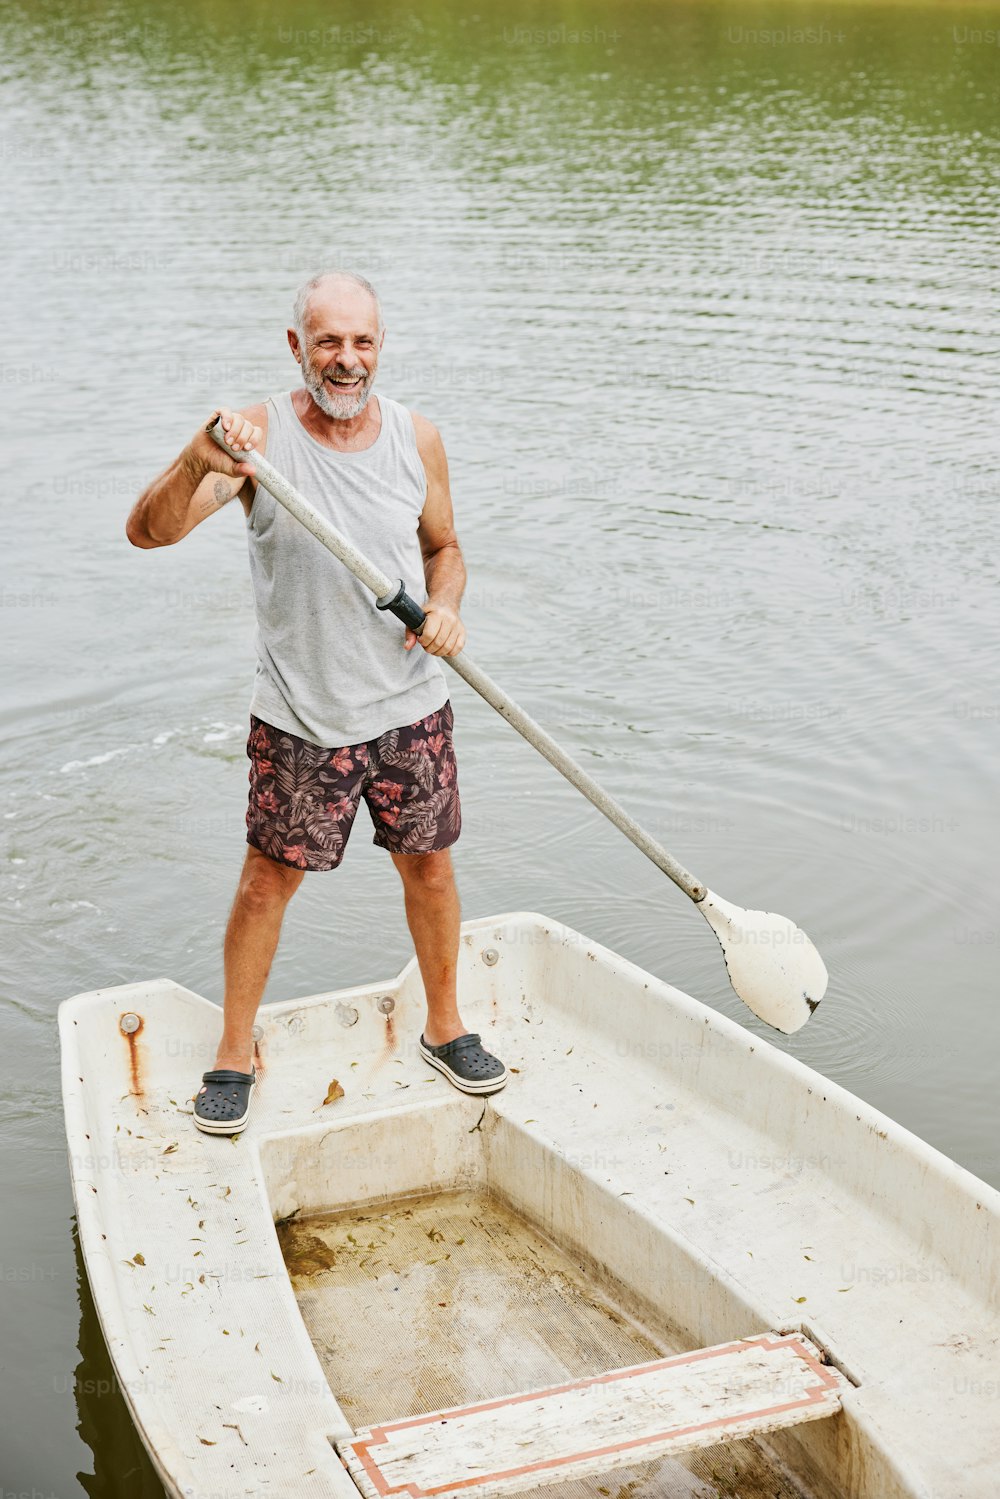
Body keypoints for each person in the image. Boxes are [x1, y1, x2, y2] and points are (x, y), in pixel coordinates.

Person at [125, 269, 507, 1133]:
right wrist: (194, 459)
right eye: (327, 341)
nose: (346, 360)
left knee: (433, 867)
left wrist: (445, 605)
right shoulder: (254, 443)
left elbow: (445, 547)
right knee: (267, 884)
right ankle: (233, 1049)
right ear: (296, 346)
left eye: (362, 342)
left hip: (411, 705)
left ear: (381, 348)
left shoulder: (418, 437)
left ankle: (445, 1027)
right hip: (302, 716)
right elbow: (150, 531)